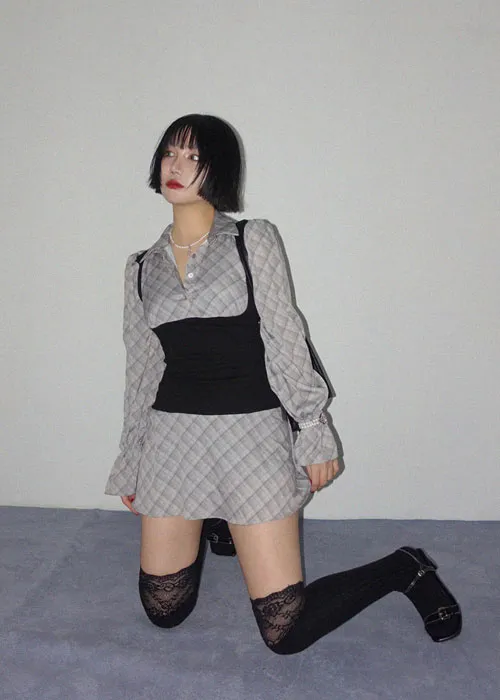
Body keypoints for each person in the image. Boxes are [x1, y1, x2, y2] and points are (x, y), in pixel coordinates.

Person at [104, 113, 462, 653]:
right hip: (172, 441)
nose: (177, 166)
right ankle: (219, 521)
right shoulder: (139, 268)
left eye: (194, 157)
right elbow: (142, 370)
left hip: (251, 435)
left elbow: (285, 337)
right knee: (164, 609)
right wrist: (132, 457)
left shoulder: (252, 240)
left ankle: (404, 569)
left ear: (218, 170)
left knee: (284, 632)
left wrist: (314, 429)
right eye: (170, 154)